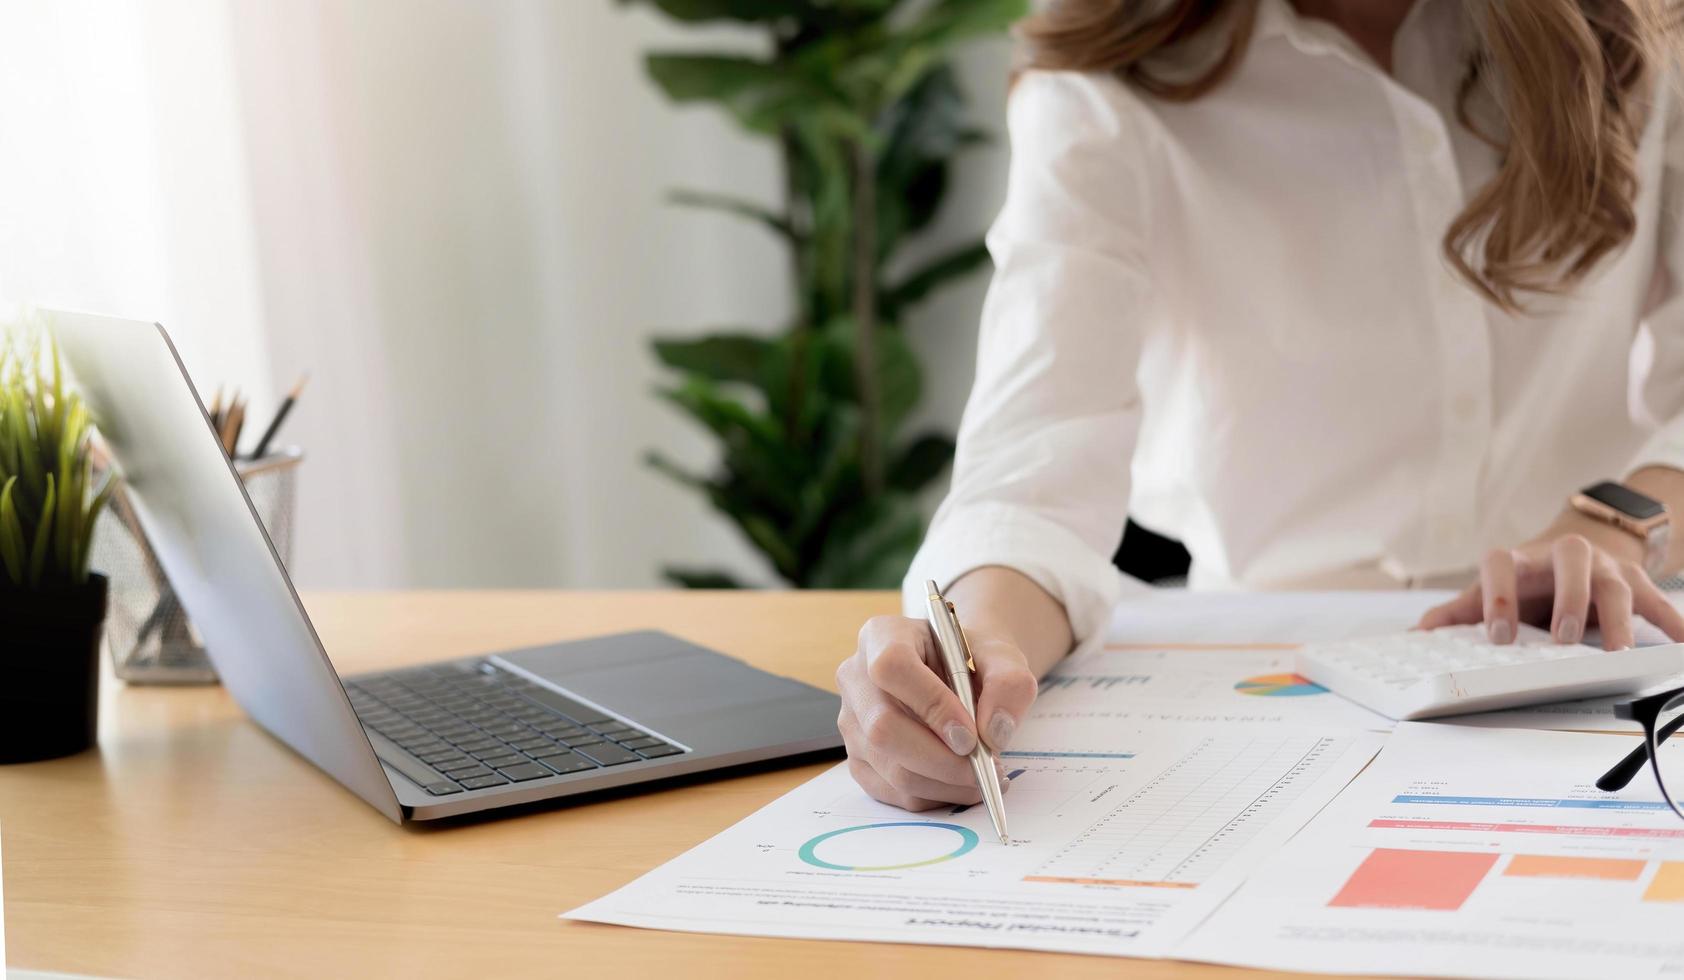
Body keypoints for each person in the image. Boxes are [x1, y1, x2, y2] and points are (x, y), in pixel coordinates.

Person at [836, 0, 1684, 812]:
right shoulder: (1107, 87)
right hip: (1275, 696)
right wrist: (973, 655)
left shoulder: (1648, 34)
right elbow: (1031, 480)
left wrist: (1614, 526)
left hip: (1609, 660)